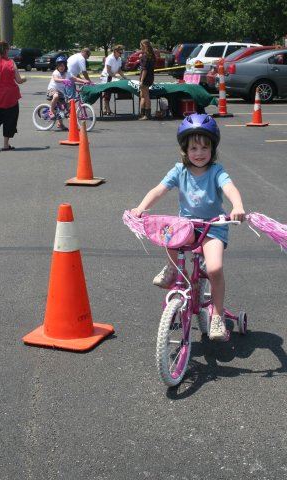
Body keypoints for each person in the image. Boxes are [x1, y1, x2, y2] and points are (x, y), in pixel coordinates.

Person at [131, 114, 245, 341]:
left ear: (213, 148)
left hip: (213, 227)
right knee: (169, 233)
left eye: (205, 147)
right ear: (185, 150)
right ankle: (171, 269)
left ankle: (217, 317)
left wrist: (238, 205)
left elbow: (230, 188)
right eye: (193, 148)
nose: (199, 153)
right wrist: (141, 207)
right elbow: (158, 190)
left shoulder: (216, 171)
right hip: (188, 226)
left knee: (213, 269)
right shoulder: (179, 171)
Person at [47, 56, 75, 131]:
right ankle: (50, 111)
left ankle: (60, 124)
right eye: (59, 66)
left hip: (61, 92)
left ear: (65, 65)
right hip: (52, 89)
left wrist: (84, 81)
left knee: (62, 108)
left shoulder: (67, 73)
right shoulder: (55, 72)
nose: (61, 67)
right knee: (56, 96)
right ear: (57, 66)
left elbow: (74, 79)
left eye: (62, 65)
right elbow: (56, 79)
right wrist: (64, 80)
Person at [100, 45, 127, 115]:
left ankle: (105, 109)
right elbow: (108, 71)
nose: (121, 54)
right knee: (107, 93)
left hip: (112, 77)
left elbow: (119, 70)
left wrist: (124, 77)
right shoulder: (110, 58)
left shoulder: (119, 59)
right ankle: (108, 110)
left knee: (108, 93)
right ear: (115, 51)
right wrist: (116, 77)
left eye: (121, 53)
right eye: (120, 53)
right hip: (106, 77)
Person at [138, 39, 156, 120]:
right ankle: (142, 113)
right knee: (142, 95)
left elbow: (144, 69)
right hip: (150, 77)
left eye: (141, 46)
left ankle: (147, 115)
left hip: (145, 78)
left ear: (144, 46)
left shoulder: (145, 56)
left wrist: (141, 81)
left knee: (145, 96)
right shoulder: (152, 55)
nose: (140, 47)